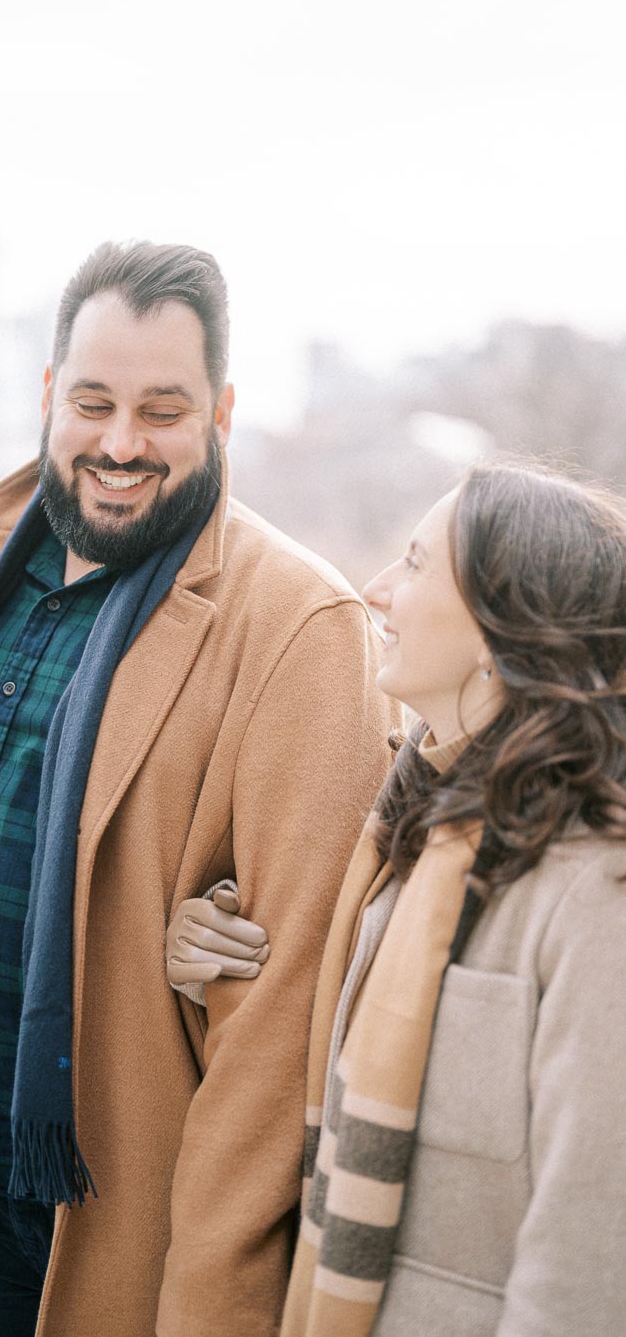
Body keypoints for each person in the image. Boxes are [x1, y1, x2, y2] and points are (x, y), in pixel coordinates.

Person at [0, 240, 397, 1337]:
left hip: (124, 1212)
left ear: (221, 412)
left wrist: (214, 1285)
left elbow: (291, 1018)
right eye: (93, 402)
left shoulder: (298, 625)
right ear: (49, 395)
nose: (121, 443)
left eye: (163, 410)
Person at [168, 461, 626, 1335]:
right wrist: (202, 961)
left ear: (502, 627)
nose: (377, 588)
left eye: (416, 564)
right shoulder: (414, 836)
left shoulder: (598, 884)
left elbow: (588, 1255)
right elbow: (336, 1032)